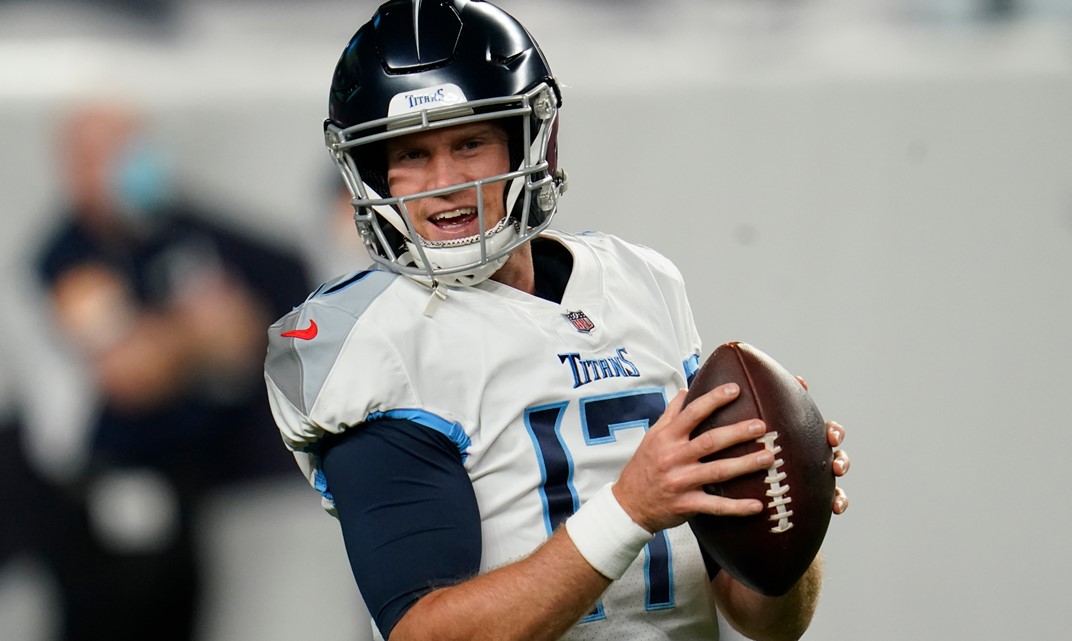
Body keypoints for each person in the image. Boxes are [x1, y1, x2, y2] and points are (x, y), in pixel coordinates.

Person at [264, 2, 850, 640]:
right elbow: (424, 635)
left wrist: (789, 508)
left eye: (469, 142)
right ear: (371, 172)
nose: (444, 183)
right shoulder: (374, 342)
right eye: (412, 154)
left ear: (529, 140)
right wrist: (630, 509)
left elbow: (769, 622)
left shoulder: (639, 282)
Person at [35, 101, 312, 641]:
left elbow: (252, 325)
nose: (135, 162)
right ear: (81, 165)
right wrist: (199, 333)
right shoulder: (65, 255)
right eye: (116, 150)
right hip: (99, 501)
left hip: (191, 491)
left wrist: (184, 337)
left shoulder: (179, 232)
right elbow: (133, 373)